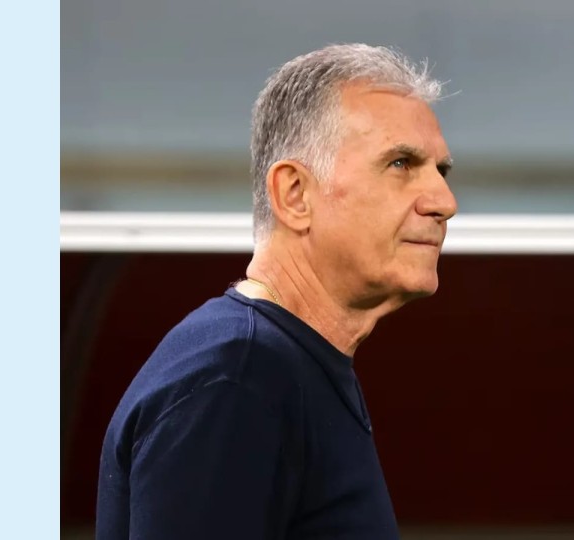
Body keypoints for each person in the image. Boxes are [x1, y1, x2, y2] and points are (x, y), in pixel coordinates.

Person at [95, 43, 458, 540]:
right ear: (294, 195)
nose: (443, 201)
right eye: (400, 163)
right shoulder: (237, 379)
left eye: (441, 171)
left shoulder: (278, 365)